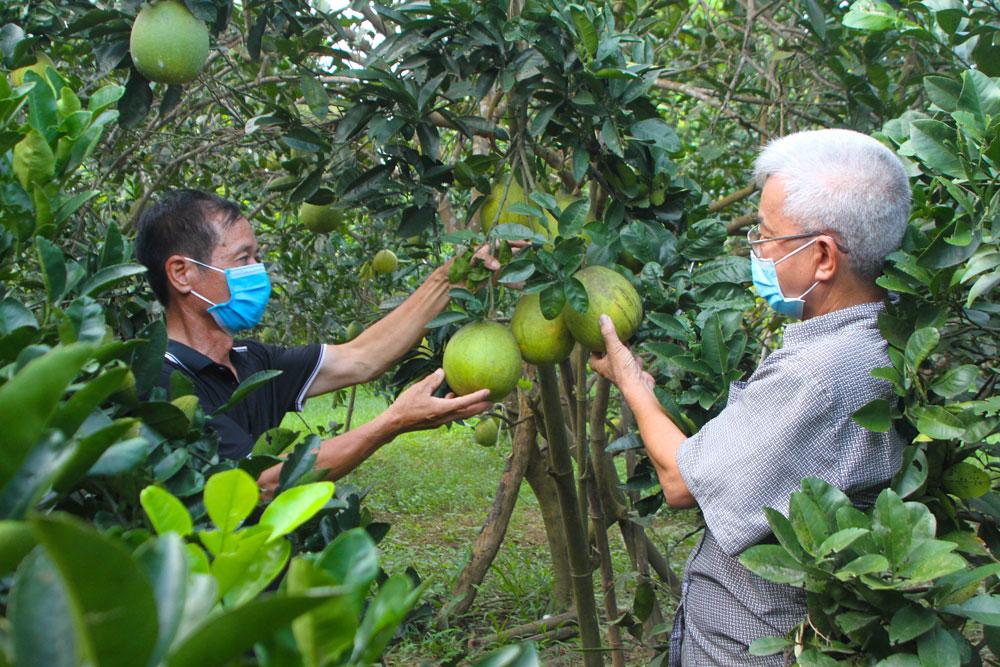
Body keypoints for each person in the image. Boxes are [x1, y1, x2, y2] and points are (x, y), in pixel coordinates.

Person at [590, 128, 911, 665]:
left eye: (766, 236)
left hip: (755, 646)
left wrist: (632, 383)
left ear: (824, 257)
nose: (757, 251)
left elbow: (679, 481)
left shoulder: (819, 372)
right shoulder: (887, 332)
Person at [134, 189, 495, 496]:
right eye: (242, 259)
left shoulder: (250, 360)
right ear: (182, 273)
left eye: (257, 258)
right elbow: (261, 484)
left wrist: (455, 277)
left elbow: (363, 357)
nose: (257, 270)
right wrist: (392, 423)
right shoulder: (163, 384)